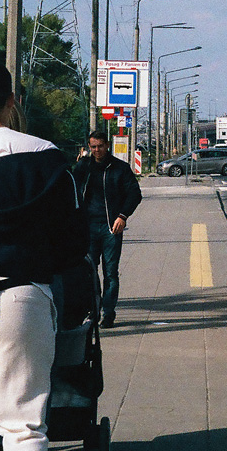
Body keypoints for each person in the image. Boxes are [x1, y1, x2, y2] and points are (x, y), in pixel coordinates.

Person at [0, 60, 88, 450]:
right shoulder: (46, 157)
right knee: (23, 425)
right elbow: (72, 244)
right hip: (23, 295)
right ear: (12, 101)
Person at [72, 130, 142, 329]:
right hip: (88, 227)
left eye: (100, 146)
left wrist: (123, 216)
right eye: (93, 147)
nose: (96, 150)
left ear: (107, 145)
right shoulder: (83, 167)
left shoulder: (119, 168)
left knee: (110, 272)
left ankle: (108, 313)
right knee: (89, 271)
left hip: (111, 227)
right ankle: (93, 312)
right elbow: (73, 191)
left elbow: (134, 194)